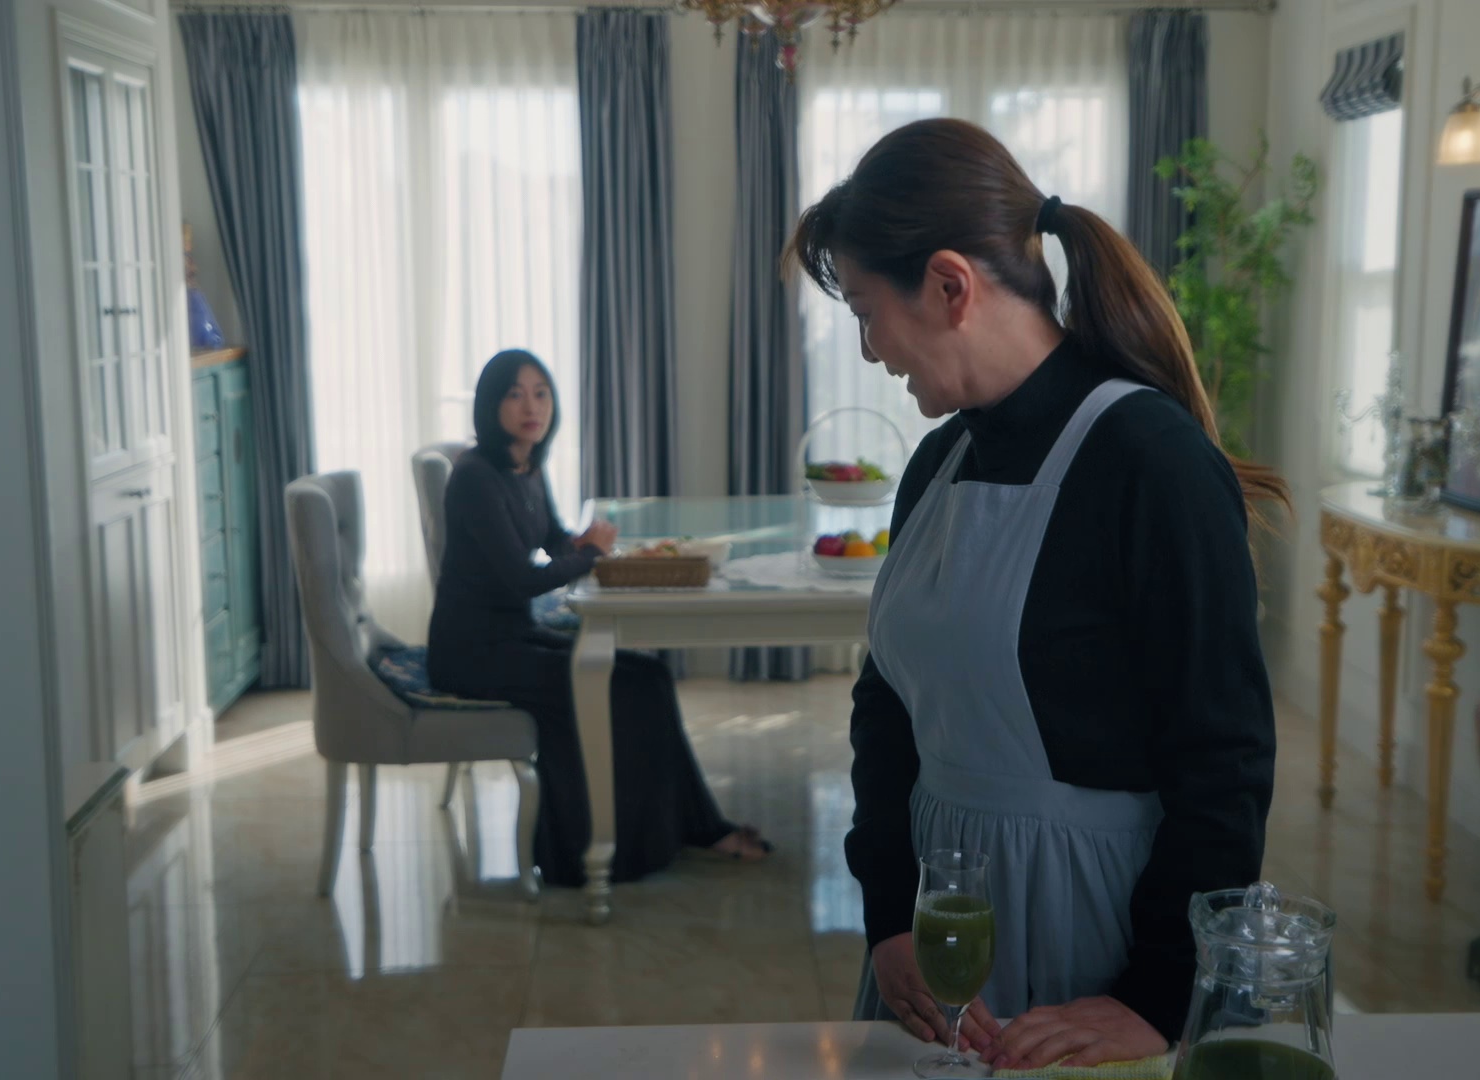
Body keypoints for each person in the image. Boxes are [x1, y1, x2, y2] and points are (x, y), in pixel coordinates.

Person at [788, 119, 1282, 1070]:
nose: (870, 350)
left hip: (1095, 936)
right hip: (937, 938)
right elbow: (885, 703)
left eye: (866, 311)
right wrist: (890, 915)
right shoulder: (942, 457)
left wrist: (1158, 995)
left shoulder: (1153, 462)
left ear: (949, 285)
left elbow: (1223, 759)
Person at [426, 349, 770, 885]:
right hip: (472, 652)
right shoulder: (476, 477)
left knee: (649, 676)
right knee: (615, 687)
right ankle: (596, 850)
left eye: (541, 393)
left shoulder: (525, 464)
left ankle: (693, 827)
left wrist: (584, 542)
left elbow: (551, 537)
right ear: (490, 405)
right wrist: (589, 555)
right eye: (515, 394)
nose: (531, 407)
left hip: (512, 634)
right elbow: (521, 579)